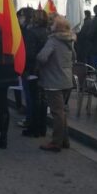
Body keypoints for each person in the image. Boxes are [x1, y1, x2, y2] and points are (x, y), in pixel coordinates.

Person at [36, 16, 76, 152]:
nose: (51, 26)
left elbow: (42, 57)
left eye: (53, 24)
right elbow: (74, 58)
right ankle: (65, 140)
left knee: (57, 112)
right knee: (62, 112)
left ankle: (56, 142)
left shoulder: (53, 40)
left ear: (57, 27)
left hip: (53, 80)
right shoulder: (70, 40)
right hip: (66, 80)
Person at [22, 9, 49, 137]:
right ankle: (42, 127)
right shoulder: (48, 32)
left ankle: (34, 127)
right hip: (46, 69)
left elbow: (29, 53)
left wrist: (25, 69)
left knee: (33, 99)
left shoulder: (31, 33)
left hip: (33, 69)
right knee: (42, 99)